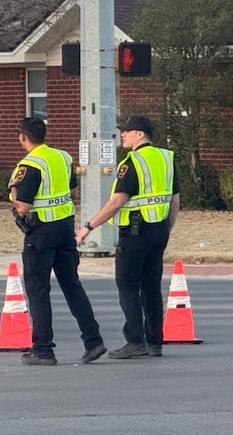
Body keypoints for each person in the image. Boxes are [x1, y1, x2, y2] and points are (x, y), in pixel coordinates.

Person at [76, 115, 180, 359]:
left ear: (140, 134)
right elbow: (174, 200)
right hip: (159, 229)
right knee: (152, 286)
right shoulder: (166, 158)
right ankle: (155, 342)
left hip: (135, 232)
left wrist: (88, 227)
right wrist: (166, 228)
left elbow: (117, 202)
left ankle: (135, 341)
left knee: (128, 285)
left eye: (127, 131)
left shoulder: (133, 161)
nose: (122, 134)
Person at [9, 117, 107, 366]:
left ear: (23, 137)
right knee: (72, 285)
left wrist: (12, 197)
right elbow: (71, 188)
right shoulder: (63, 157)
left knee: (38, 290)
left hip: (41, 232)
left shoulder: (29, 164)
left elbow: (22, 205)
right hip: (64, 229)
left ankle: (42, 349)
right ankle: (93, 341)